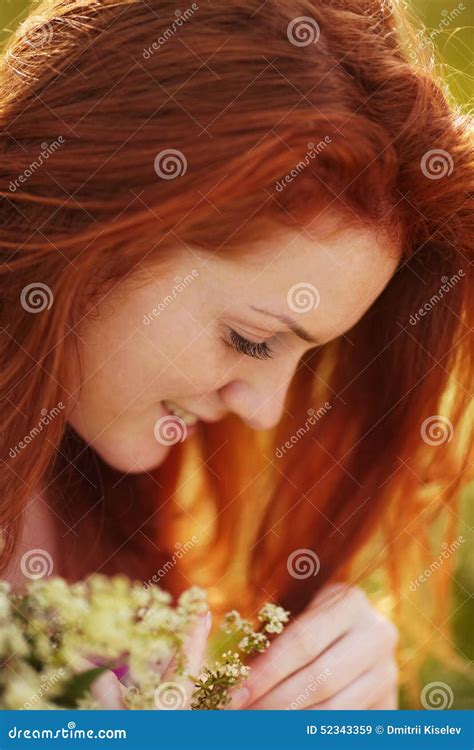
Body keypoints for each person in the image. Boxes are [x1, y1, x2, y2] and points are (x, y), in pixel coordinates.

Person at [0, 0, 472, 710]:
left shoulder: (96, 510)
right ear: (95, 228)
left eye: (308, 357)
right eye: (250, 338)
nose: (263, 410)